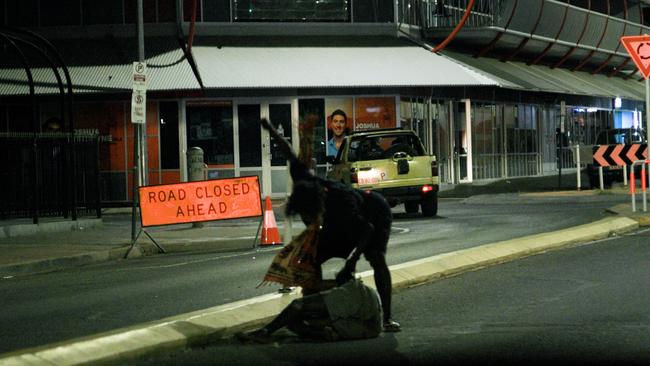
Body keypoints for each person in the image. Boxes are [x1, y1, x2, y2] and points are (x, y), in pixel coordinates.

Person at [260, 118, 401, 332]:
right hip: (338, 227)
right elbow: (288, 152)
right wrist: (270, 128)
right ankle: (313, 307)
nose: (308, 218)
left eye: (310, 214)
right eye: (304, 215)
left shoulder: (340, 202)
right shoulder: (303, 180)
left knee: (376, 258)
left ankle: (387, 318)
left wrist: (351, 262)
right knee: (313, 259)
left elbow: (367, 230)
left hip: (374, 213)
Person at [237, 278, 382, 343]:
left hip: (362, 316)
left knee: (297, 307)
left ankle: (264, 332)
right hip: (370, 326)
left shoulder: (345, 295)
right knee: (301, 320)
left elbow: (299, 305)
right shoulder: (357, 294)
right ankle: (323, 334)